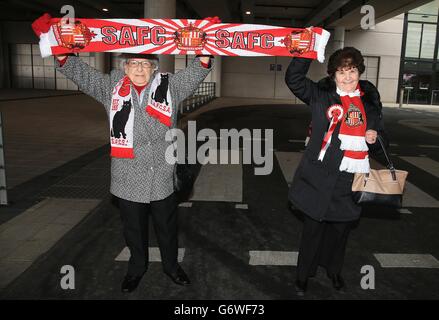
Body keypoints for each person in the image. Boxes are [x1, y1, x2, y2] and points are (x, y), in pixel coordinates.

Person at [285, 47, 384, 296]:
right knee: (312, 231)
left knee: (340, 233)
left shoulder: (370, 103)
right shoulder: (320, 95)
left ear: (359, 72)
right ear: (333, 75)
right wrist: (305, 51)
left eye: (352, 71)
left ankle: (333, 270)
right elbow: (293, 80)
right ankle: (302, 275)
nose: (347, 77)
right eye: (341, 71)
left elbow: (383, 142)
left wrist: (374, 135)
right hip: (318, 178)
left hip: (349, 180)